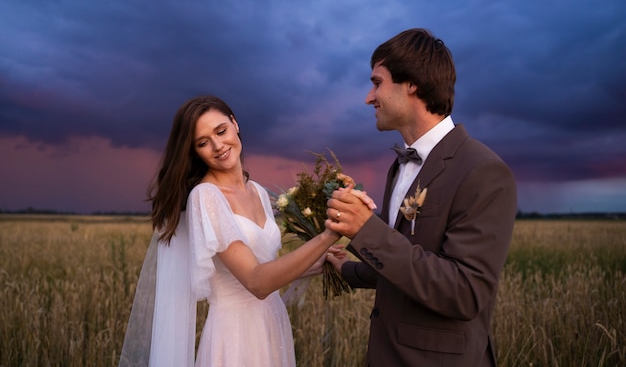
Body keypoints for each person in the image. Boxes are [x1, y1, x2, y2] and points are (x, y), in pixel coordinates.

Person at [325, 28, 517, 366]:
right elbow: (409, 261)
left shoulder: (483, 170)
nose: (369, 97)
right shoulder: (399, 167)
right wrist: (348, 268)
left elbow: (465, 292)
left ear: (411, 82)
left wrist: (366, 229)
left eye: (377, 82)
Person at [118, 95, 344, 367]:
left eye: (221, 131)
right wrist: (328, 235)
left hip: (272, 324)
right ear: (194, 152)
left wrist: (317, 262)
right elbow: (257, 281)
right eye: (203, 143)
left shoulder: (258, 192)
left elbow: (268, 268)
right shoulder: (206, 197)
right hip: (235, 335)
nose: (217, 146)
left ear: (235, 123)